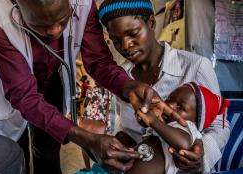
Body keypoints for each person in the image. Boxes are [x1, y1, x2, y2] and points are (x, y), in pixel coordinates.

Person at [0, 0, 183, 173]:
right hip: (9, 94)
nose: (55, 31)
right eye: (40, 26)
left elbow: (98, 61)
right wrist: (85, 138)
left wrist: (128, 86)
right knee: (11, 155)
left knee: (47, 152)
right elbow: (23, 95)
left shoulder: (83, 4)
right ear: (18, 7)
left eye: (62, 19)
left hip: (52, 83)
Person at [98, 0, 230, 172]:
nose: (125, 45)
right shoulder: (122, 77)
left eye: (133, 33)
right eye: (116, 40)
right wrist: (118, 145)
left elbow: (220, 126)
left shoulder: (195, 66)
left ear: (151, 22)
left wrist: (201, 154)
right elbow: (127, 127)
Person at [125, 82, 230, 174]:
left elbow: (184, 143)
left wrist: (154, 122)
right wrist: (144, 119)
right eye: (169, 99)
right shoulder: (166, 124)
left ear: (195, 122)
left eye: (180, 107)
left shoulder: (187, 127)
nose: (169, 105)